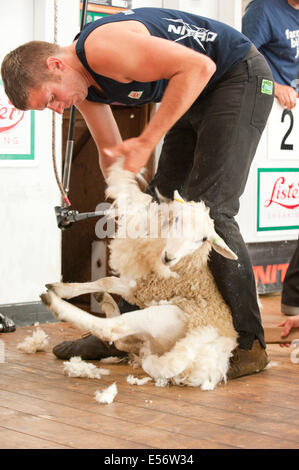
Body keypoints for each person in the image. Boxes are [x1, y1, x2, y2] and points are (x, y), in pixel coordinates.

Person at [1, 7, 274, 378]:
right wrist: (128, 205)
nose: (57, 109)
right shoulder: (84, 88)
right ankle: (122, 332)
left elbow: (199, 68)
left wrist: (148, 140)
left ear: (56, 64)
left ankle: (250, 343)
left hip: (236, 75)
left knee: (209, 212)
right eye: (48, 108)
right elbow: (110, 153)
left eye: (50, 98)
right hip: (201, 90)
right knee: (155, 211)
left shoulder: (102, 48)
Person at [242, 0, 299, 316]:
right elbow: (243, 59)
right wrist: (274, 85)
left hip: (288, 113)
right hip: (262, 107)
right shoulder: (263, 10)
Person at [242, 0, 299, 111]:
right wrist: (274, 87)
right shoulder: (263, 9)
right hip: (261, 99)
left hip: (289, 102)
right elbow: (239, 62)